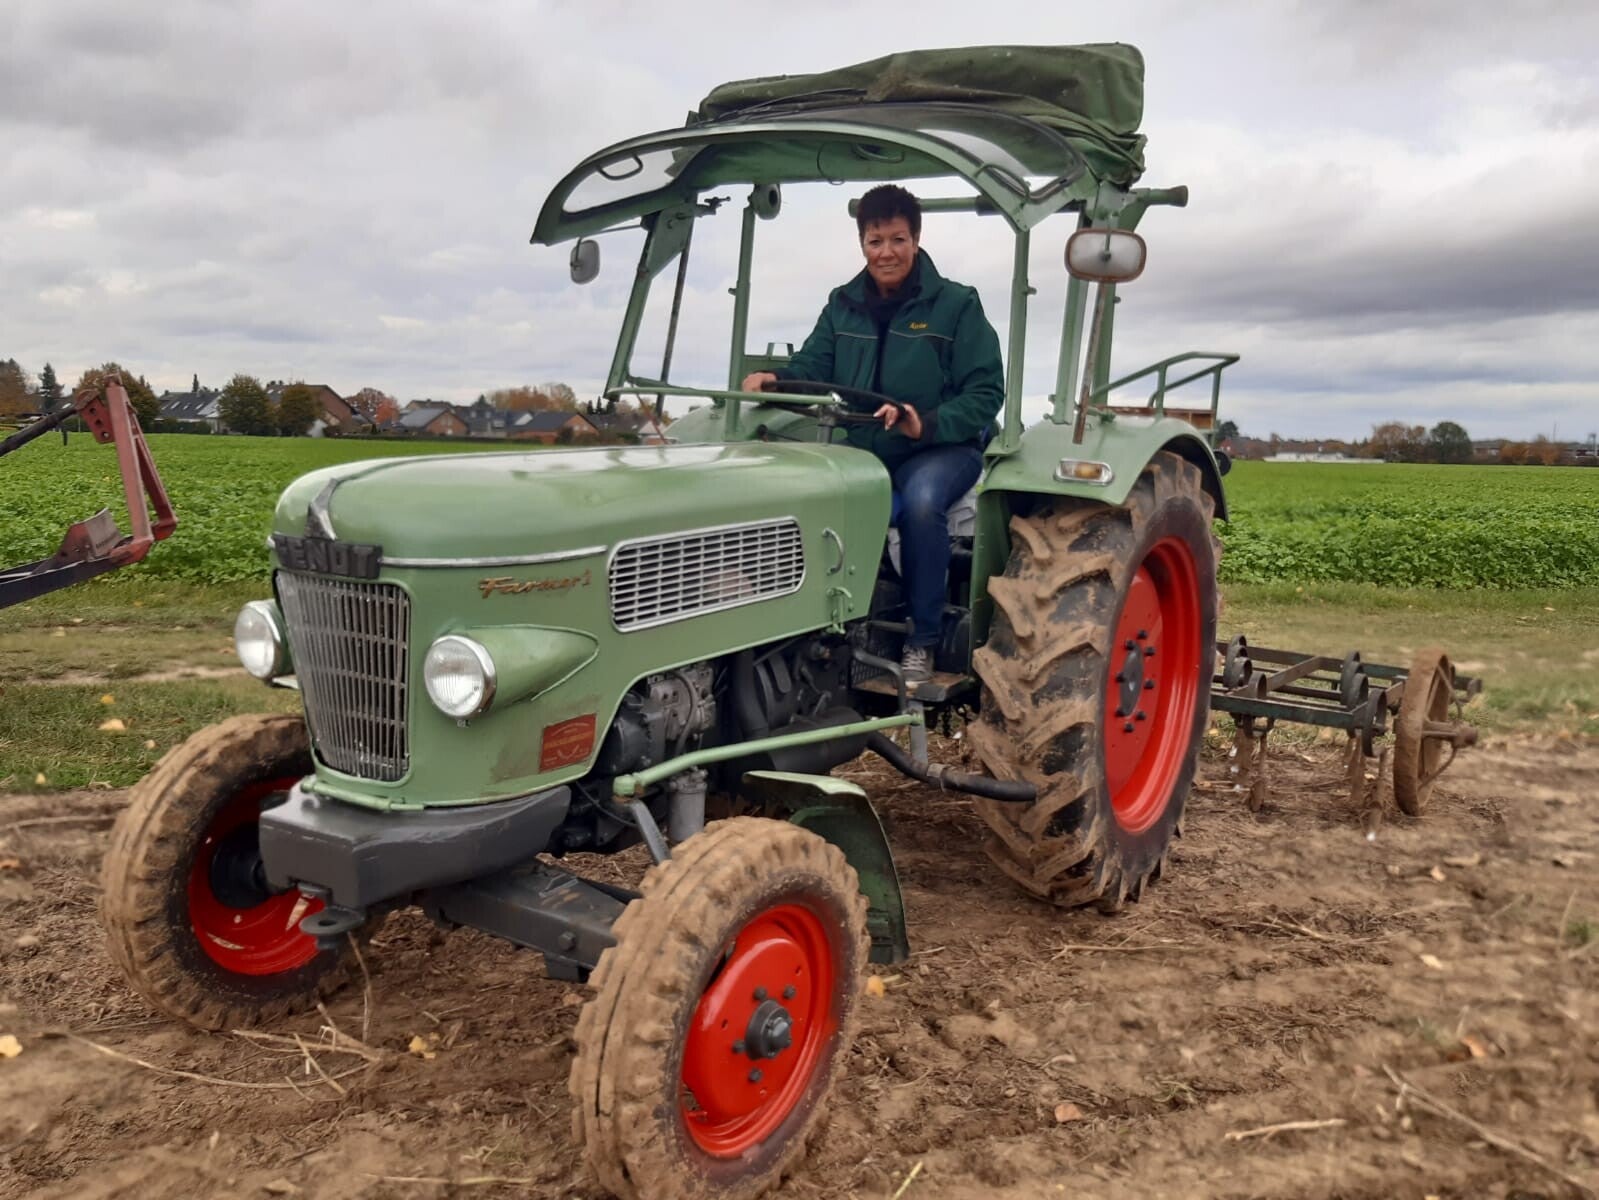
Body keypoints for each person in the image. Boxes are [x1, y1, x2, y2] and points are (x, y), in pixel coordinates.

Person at [743, 184, 1004, 682]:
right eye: (875, 241)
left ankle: (922, 641)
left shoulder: (955, 305)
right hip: (868, 444)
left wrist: (924, 421)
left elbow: (986, 392)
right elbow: (813, 365)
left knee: (921, 502)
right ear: (862, 243)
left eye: (897, 240)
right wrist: (775, 380)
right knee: (805, 494)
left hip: (942, 446)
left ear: (916, 240)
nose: (886, 252)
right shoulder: (843, 305)